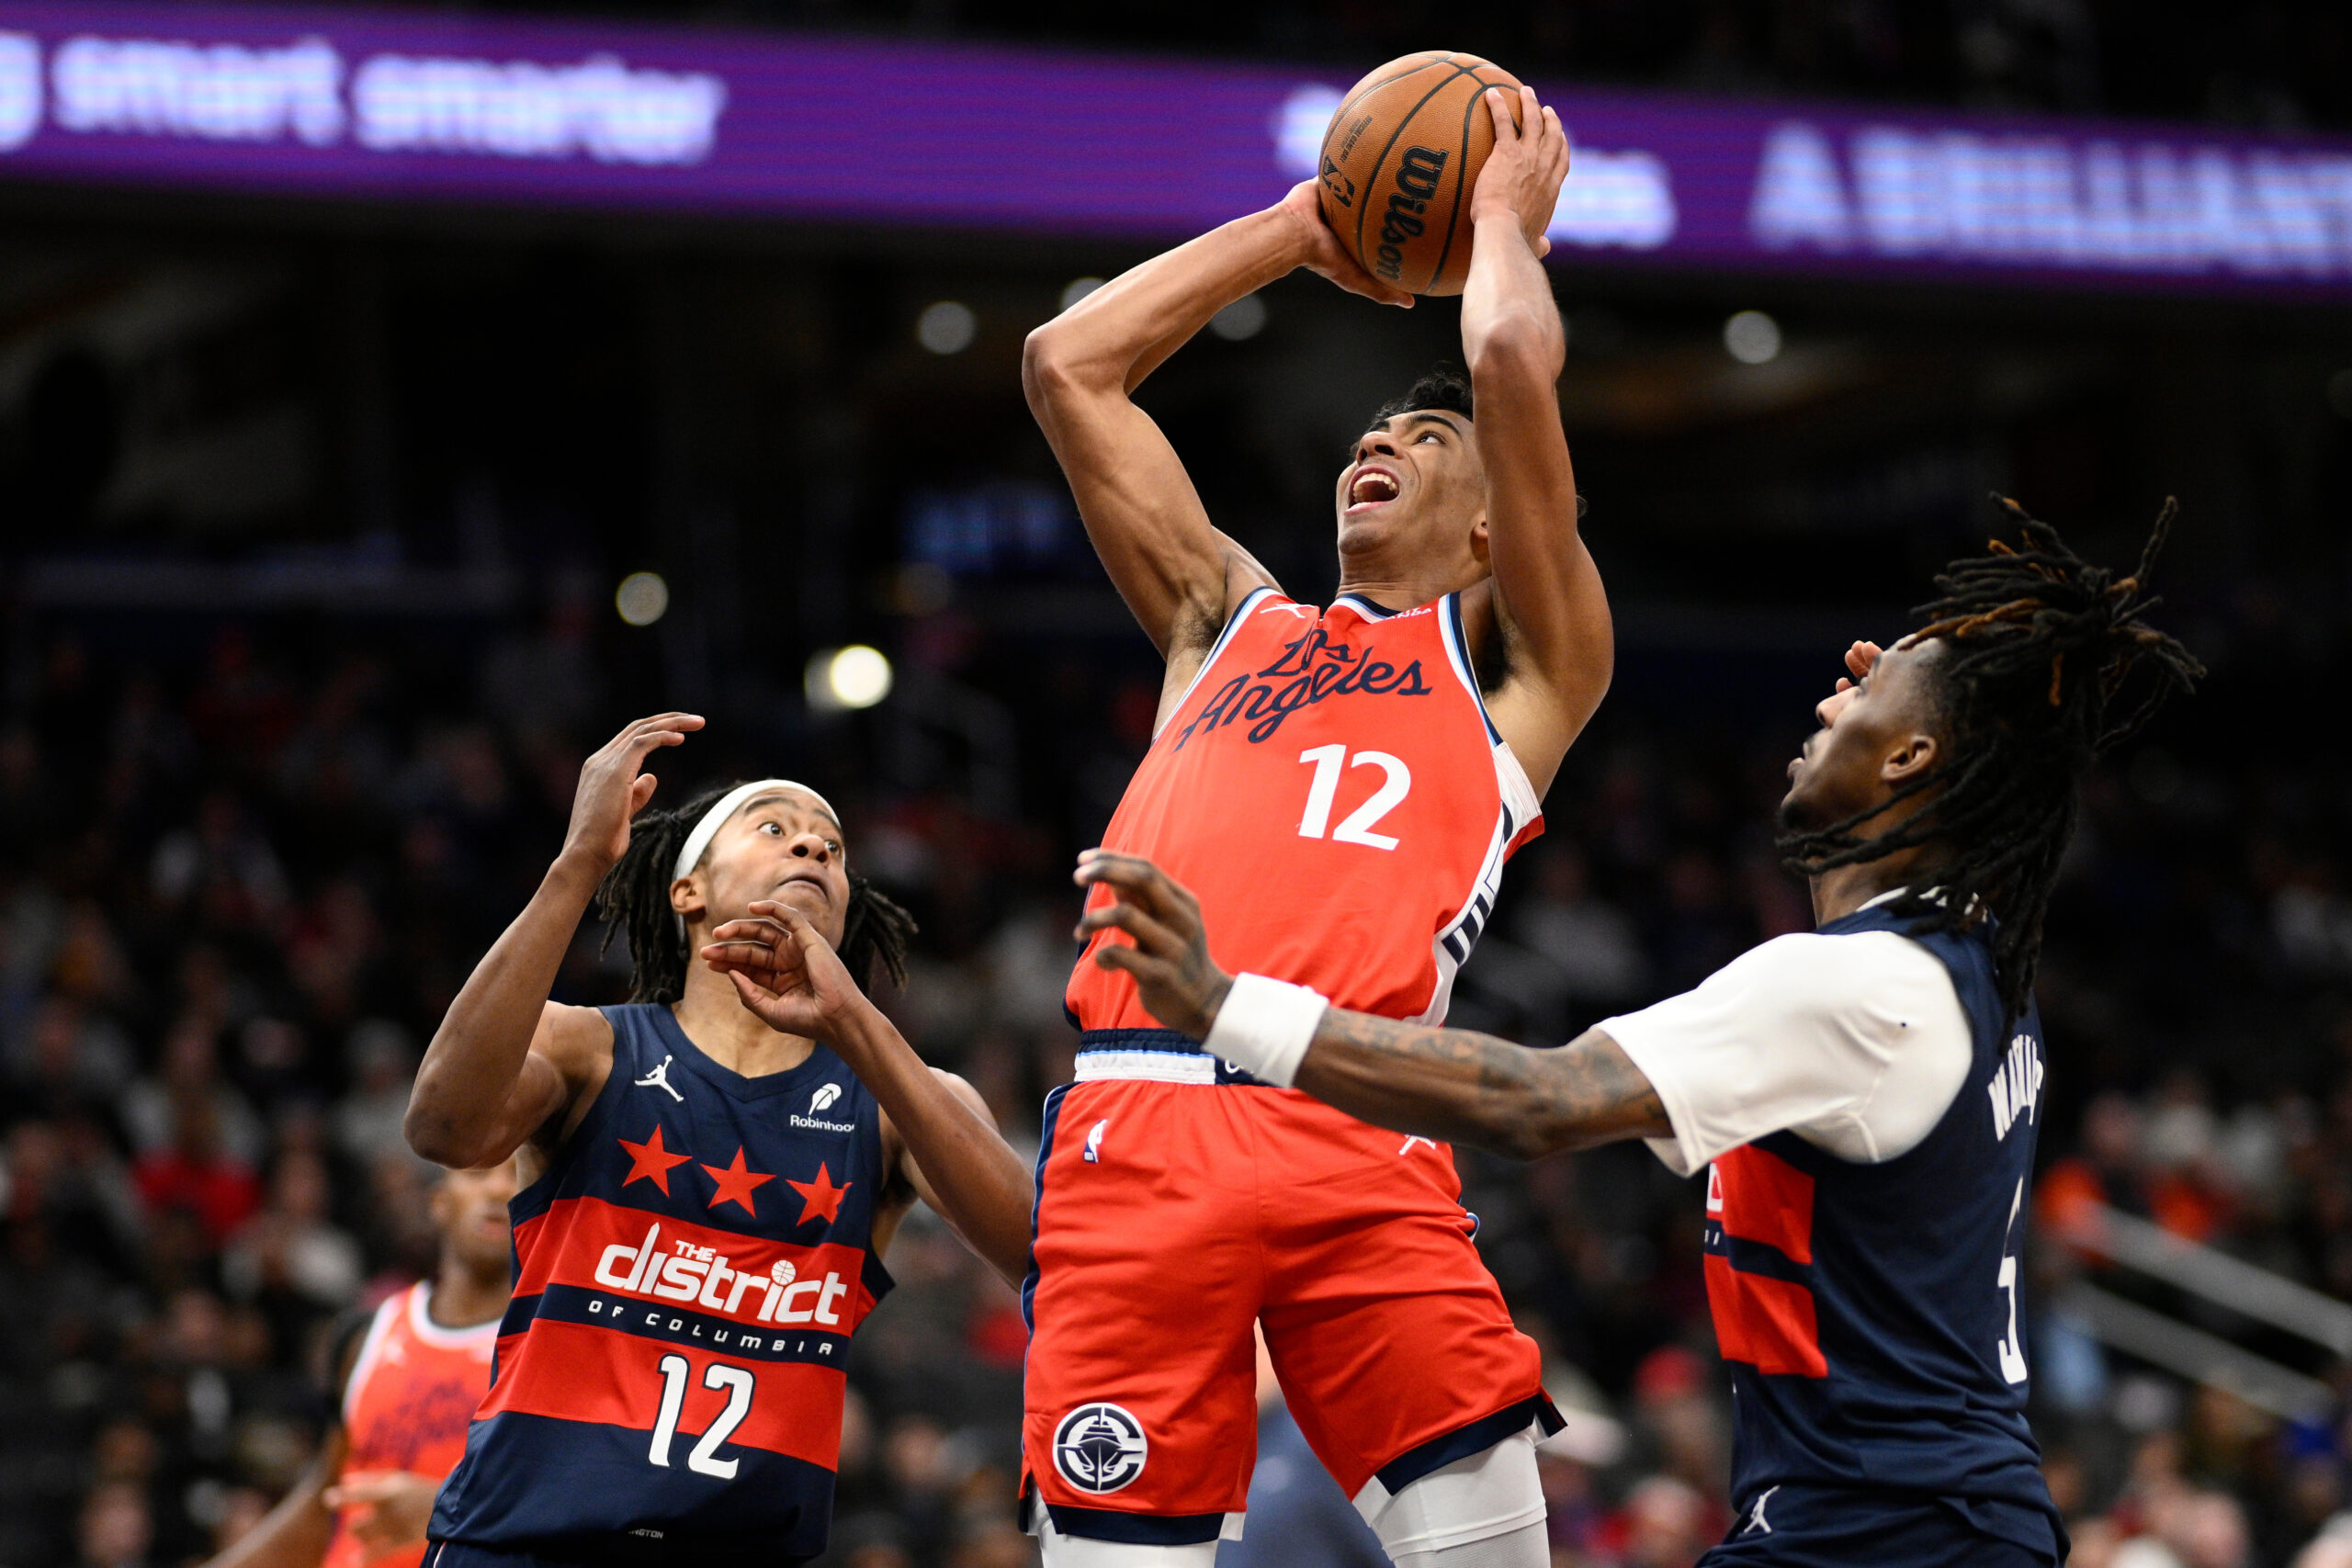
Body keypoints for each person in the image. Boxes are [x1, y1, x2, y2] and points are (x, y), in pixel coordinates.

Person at [1074, 502, 2203, 1566]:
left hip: (1889, 1528)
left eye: (1878, 684)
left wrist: (1229, 1007)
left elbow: (1536, 1100)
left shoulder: (1862, 987)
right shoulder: (1978, 972)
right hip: (1914, 1515)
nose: (1839, 686)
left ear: (1915, 761)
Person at [1019, 85, 1609, 1567]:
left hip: (1364, 1114)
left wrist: (1492, 224)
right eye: (1369, 426)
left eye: (1422, 434)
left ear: (1492, 526)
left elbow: (1505, 359)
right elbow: (1068, 365)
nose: (1381, 436)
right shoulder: (1227, 619)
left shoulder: (1525, 670)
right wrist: (1297, 226)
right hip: (1143, 1114)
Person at [401, 714, 1034, 1566]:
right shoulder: (588, 1047)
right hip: (529, 1541)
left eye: (834, 848)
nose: (813, 850)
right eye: (776, 827)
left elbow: (1040, 1254)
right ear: (688, 891)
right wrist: (578, 863)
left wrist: (854, 1021)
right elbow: (442, 1125)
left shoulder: (893, 1099)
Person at [202, 1161, 518, 1568]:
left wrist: (448, 1511)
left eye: (518, 1176)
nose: (497, 1190)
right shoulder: (367, 1334)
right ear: (439, 1202)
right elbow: (322, 1503)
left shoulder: (550, 1343)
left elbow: (571, 1516)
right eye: (479, 1173)